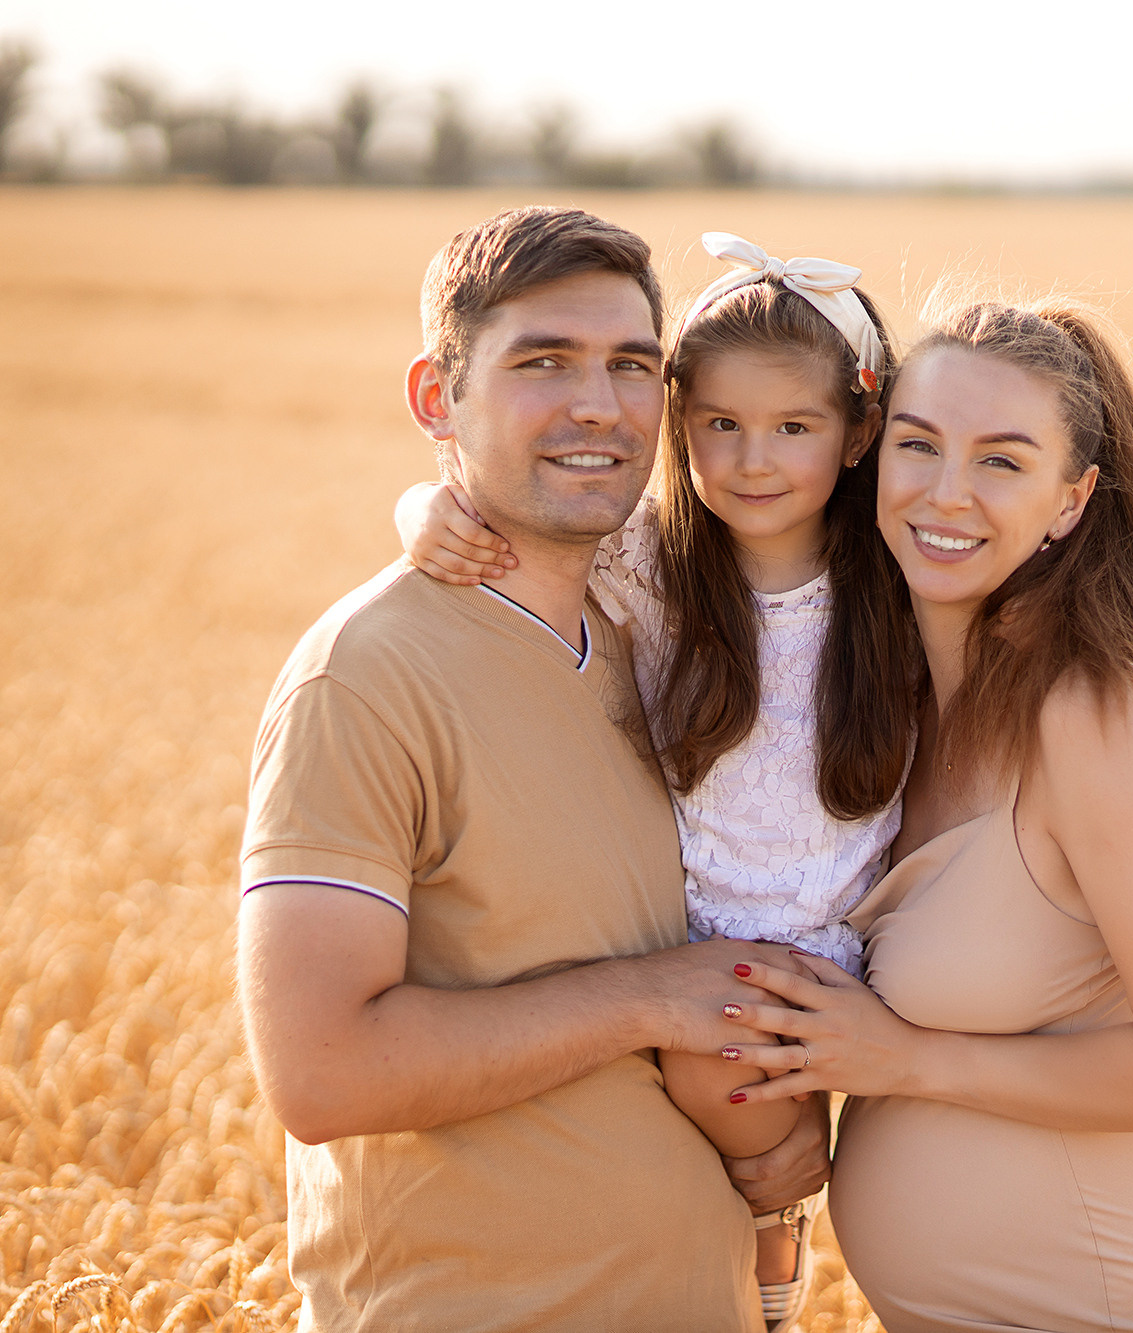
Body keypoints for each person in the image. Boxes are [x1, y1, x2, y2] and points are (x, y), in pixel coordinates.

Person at [236, 207, 828, 1333]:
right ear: (434, 398)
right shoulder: (364, 678)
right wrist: (650, 998)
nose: (596, 404)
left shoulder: (668, 643)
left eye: (630, 365)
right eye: (541, 362)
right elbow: (321, 1073)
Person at [719, 300, 1133, 1330]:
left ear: (1069, 504)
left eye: (1001, 461)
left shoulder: (1086, 711)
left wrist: (902, 1058)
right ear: (870, 455)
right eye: (919, 445)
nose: (946, 492)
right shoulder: (881, 700)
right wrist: (437, 511)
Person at [395, 231, 920, 1327]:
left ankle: (784, 1211)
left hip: (840, 954)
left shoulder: (894, 580)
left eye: (792, 428)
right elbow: (492, 524)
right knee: (706, 1082)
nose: (751, 460)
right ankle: (775, 1230)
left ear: (859, 430)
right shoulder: (656, 566)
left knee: (749, 1092)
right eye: (718, 426)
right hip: (697, 948)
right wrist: (421, 513)